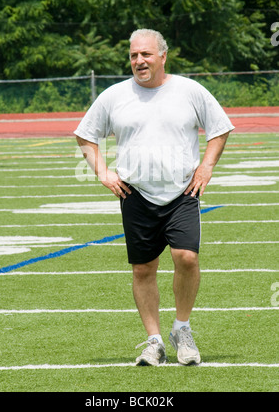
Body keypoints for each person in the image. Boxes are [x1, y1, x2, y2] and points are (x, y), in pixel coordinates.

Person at [74, 29, 234, 366]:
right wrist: (103, 172)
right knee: (143, 268)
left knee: (186, 257)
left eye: (145, 54)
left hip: (183, 191)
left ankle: (182, 329)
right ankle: (154, 341)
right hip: (136, 193)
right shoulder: (114, 96)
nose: (138, 61)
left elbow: (219, 128)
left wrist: (206, 167)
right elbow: (85, 136)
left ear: (162, 56)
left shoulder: (189, 90)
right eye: (133, 55)